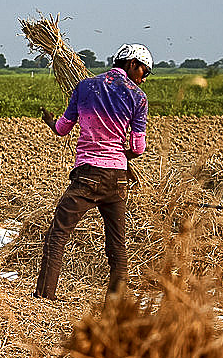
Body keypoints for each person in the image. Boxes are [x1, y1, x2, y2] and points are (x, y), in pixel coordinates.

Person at [33, 43, 151, 300]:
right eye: (144, 71)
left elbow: (63, 128)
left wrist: (50, 121)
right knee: (117, 244)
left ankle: (44, 297)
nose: (144, 77)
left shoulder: (85, 86)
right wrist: (120, 153)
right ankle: (116, 304)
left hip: (87, 176)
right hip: (118, 179)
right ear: (131, 64)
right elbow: (138, 147)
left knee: (58, 233)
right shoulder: (138, 98)